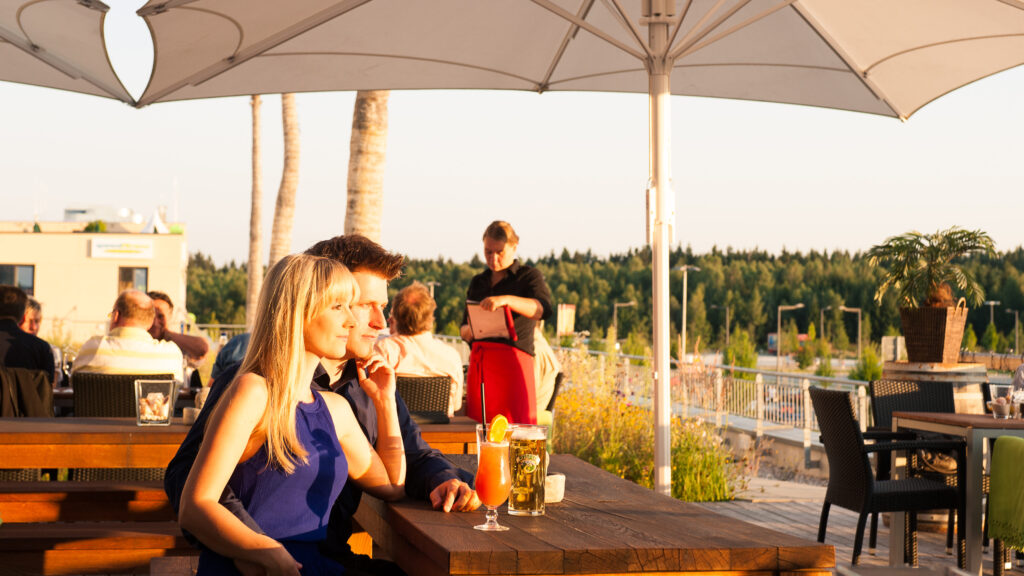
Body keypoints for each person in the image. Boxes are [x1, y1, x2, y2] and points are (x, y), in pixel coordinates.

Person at [166, 234, 479, 576]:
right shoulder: (250, 385)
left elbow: (403, 467)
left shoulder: (355, 392)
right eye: (357, 304)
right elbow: (187, 484)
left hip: (325, 556)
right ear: (307, 302)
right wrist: (260, 550)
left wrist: (441, 476)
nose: (376, 321)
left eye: (379, 306)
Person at [180, 254, 406, 575]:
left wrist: (386, 403)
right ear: (297, 312)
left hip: (309, 565)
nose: (352, 321)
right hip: (252, 566)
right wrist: (269, 554)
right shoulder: (254, 391)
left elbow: (392, 485)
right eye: (337, 306)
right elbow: (195, 506)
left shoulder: (335, 409)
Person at [460, 221, 553, 425]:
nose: (493, 258)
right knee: (479, 426)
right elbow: (463, 328)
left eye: (499, 252)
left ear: (514, 247)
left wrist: (507, 300)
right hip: (482, 362)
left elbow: (543, 309)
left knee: (516, 427)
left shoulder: (528, 277)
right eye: (488, 252)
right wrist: (473, 331)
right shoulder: (478, 282)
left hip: (514, 362)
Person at [375, 282, 464, 417]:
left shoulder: (384, 350)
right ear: (430, 316)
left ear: (396, 316)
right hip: (439, 433)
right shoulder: (451, 356)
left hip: (396, 431)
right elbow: (456, 405)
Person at [72, 290, 184, 382]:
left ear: (116, 315)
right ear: (150, 322)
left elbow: (74, 385)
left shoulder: (92, 349)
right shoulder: (171, 354)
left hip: (96, 410)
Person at [0, 286, 54, 382]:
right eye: (31, 321)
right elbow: (48, 389)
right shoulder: (41, 348)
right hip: (28, 397)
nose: (34, 327)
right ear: (22, 317)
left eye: (37, 321)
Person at [148, 291, 211, 361]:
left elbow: (202, 349)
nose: (155, 322)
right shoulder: (134, 340)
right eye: (151, 315)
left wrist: (167, 334)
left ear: (170, 317)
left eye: (161, 316)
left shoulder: (179, 345)